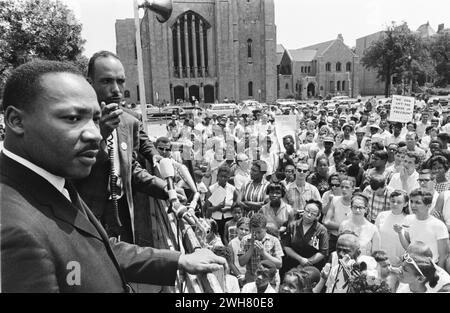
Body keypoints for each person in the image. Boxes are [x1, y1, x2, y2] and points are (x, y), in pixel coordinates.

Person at [0, 60, 226, 292]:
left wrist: (177, 260)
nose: (95, 135)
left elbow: (99, 250)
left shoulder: (54, 180)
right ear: (16, 121)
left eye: (95, 120)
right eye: (72, 118)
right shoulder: (14, 232)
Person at [74, 51, 170, 243]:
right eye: (107, 81)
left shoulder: (128, 122)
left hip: (122, 215)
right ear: (89, 82)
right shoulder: (74, 121)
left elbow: (130, 169)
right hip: (86, 217)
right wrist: (99, 134)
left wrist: (166, 189)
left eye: (120, 81)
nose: (116, 89)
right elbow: (70, 171)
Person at [394, 189, 449, 269]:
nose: (413, 205)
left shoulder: (439, 225)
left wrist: (438, 273)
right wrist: (400, 233)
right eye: (411, 201)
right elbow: (408, 247)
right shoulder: (408, 220)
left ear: (428, 205)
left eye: (417, 203)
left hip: (431, 268)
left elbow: (443, 255)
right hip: (412, 266)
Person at [238, 213, 284, 288]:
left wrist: (263, 253)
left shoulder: (274, 240)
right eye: (253, 232)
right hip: (252, 279)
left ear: (265, 229)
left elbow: (279, 264)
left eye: (259, 232)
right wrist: (251, 247)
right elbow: (241, 262)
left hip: (270, 281)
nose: (256, 235)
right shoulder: (245, 240)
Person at [282, 200, 329, 273]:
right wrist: (300, 259)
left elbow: (323, 252)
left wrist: (307, 262)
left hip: (313, 266)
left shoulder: (322, 230)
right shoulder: (292, 226)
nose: (309, 215)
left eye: (313, 214)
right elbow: (287, 246)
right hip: (292, 264)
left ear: (317, 216)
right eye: (307, 211)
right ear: (303, 211)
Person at [375, 190, 410, 265]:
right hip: (380, 262)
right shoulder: (381, 215)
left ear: (405, 204)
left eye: (399, 202)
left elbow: (409, 247)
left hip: (398, 264)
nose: (395, 204)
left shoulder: (409, 220)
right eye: (392, 201)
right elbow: (375, 239)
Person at [204, 166, 239, 241]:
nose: (223, 178)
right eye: (221, 176)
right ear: (217, 176)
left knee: (227, 238)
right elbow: (208, 208)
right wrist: (218, 207)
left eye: (225, 177)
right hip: (216, 219)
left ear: (228, 177)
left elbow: (236, 204)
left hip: (229, 219)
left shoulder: (232, 189)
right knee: (217, 239)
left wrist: (228, 209)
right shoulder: (211, 189)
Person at [323, 178, 354, 252]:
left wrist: (335, 226)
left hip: (350, 240)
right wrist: (344, 228)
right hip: (334, 238)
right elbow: (326, 222)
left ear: (353, 189)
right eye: (342, 187)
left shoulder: (356, 203)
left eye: (347, 187)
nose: (343, 189)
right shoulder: (335, 200)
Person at [228, 217, 250, 285]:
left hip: (249, 275)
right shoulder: (232, 243)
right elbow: (231, 263)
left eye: (246, 230)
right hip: (236, 275)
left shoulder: (252, 243)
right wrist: (239, 276)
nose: (243, 232)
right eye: (241, 229)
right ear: (237, 229)